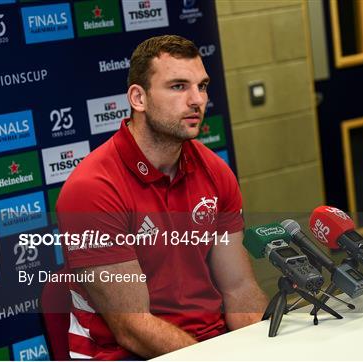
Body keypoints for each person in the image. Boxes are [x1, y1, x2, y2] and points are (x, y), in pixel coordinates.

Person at [56, 35, 268, 360]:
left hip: (210, 346)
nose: (197, 99)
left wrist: (267, 349)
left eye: (203, 86)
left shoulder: (216, 172)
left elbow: (238, 289)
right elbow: (132, 328)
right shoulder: (92, 189)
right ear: (138, 98)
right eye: (179, 86)